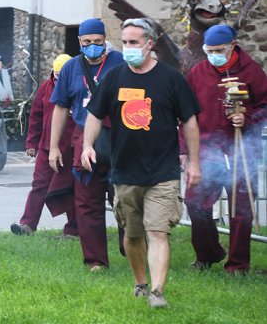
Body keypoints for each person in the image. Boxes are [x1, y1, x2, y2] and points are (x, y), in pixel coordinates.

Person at [81, 18, 202, 308]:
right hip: (125, 170)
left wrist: (194, 162)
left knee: (158, 232)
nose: (128, 48)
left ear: (149, 44)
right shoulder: (113, 77)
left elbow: (190, 120)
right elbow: (95, 114)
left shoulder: (171, 79)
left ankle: (158, 293)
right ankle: (140, 283)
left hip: (163, 171)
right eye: (124, 43)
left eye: (134, 43)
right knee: (133, 235)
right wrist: (87, 146)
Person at [184, 24, 267, 274]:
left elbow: (265, 105)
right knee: (195, 202)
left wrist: (248, 116)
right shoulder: (198, 72)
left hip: (242, 149)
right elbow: (186, 114)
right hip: (207, 149)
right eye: (209, 50)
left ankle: (238, 265)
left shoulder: (252, 71)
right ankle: (208, 253)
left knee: (240, 210)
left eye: (218, 50)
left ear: (233, 45)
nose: (213, 55)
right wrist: (185, 151)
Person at [48, 18, 125, 271]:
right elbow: (60, 107)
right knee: (87, 203)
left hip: (119, 139)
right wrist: (54, 146)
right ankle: (96, 260)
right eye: (87, 42)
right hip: (84, 141)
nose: (93, 46)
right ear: (80, 42)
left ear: (105, 41)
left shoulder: (121, 62)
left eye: (98, 42)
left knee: (125, 199)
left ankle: (131, 243)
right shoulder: (71, 67)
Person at [11, 54, 77, 237]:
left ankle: (73, 229)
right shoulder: (45, 87)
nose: (59, 79)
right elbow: (36, 116)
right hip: (47, 147)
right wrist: (31, 142)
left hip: (71, 147)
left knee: (71, 187)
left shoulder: (79, 87)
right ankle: (28, 225)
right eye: (56, 75)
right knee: (39, 185)